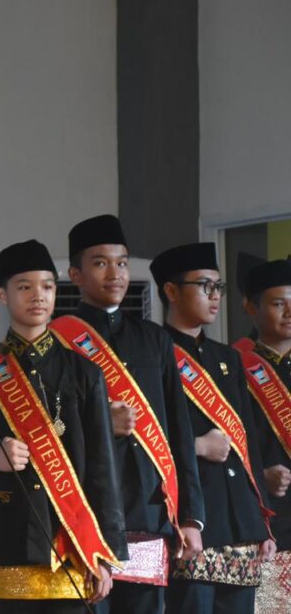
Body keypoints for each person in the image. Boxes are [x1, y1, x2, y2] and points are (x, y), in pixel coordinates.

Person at [0, 239, 126, 613]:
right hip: (6, 541)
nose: (38, 296)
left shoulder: (83, 373)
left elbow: (104, 469)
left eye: (48, 286)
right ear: (1, 294)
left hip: (73, 544)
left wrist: (105, 551)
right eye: (24, 287)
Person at [50, 215, 204, 612]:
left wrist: (190, 516)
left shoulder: (153, 339)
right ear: (75, 274)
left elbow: (180, 432)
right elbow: (46, 426)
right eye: (100, 263)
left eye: (121, 262)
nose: (115, 273)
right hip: (85, 511)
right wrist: (101, 422)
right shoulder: (58, 340)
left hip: (149, 510)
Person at [149, 242, 276, 613]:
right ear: (171, 291)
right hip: (195, 520)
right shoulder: (155, 352)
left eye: (218, 287)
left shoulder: (228, 358)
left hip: (241, 521)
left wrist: (262, 519)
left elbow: (247, 441)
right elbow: (147, 435)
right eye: (204, 286)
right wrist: (196, 446)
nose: (215, 296)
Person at [231, 256, 291, 614]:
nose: (289, 312)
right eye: (278, 303)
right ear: (251, 307)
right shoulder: (233, 364)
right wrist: (259, 476)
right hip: (270, 524)